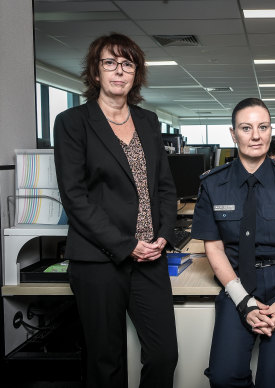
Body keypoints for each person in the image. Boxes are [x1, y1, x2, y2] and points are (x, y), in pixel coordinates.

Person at [53, 33, 178, 388]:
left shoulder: (148, 122)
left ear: (136, 73)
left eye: (128, 64)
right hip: (99, 261)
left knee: (164, 354)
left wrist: (164, 236)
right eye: (110, 63)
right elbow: (75, 197)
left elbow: (165, 188)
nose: (119, 71)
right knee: (106, 362)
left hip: (150, 258)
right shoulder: (72, 122)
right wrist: (126, 244)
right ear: (96, 72)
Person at [191, 97, 275, 388]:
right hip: (237, 282)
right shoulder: (213, 184)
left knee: (273, 379)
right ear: (233, 133)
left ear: (271, 131)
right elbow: (213, 247)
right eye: (246, 128)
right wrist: (244, 302)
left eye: (263, 127)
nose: (255, 135)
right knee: (223, 377)